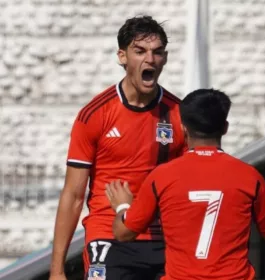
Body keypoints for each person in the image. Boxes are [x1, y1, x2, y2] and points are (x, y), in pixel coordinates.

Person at [106, 88, 265, 280]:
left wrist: (123, 206)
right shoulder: (249, 177)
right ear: (225, 128)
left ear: (183, 128)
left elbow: (124, 233)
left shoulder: (162, 177)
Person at [49, 15, 187, 280]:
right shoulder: (95, 115)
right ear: (122, 57)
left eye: (157, 52)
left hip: (164, 238)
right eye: (140, 51)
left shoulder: (179, 113)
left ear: (165, 59)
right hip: (109, 235)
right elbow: (74, 195)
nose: (150, 59)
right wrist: (57, 270)